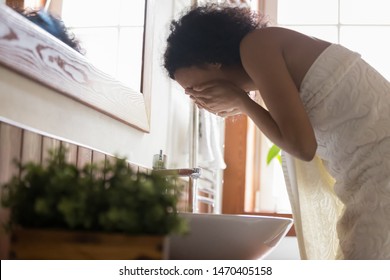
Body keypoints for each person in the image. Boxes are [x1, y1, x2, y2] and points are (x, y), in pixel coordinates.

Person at [163, 4, 390, 260]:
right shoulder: (264, 58)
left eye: (193, 87)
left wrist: (241, 101)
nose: (195, 96)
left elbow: (302, 147)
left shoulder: (257, 46)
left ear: (212, 61)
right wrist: (242, 102)